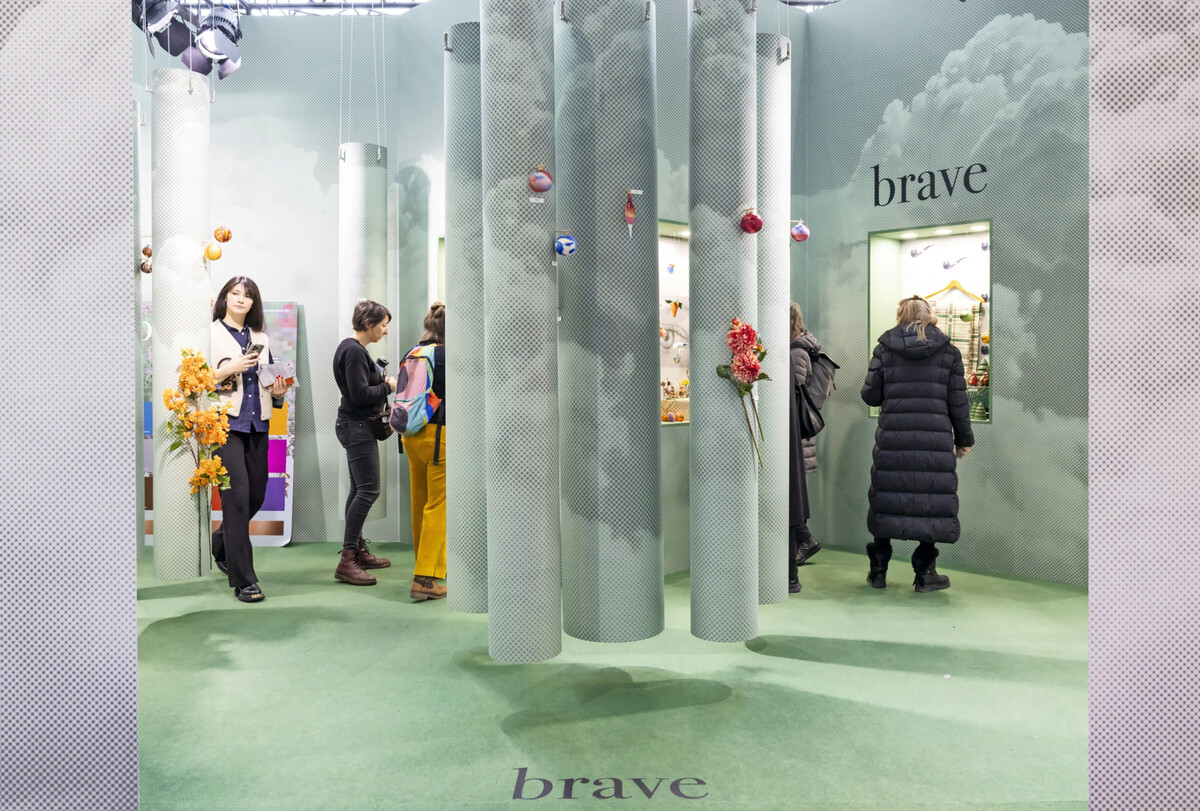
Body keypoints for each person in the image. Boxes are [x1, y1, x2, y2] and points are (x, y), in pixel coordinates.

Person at [860, 295, 974, 592]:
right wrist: (964, 440)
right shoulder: (949, 352)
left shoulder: (885, 349)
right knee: (929, 502)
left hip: (894, 440)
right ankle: (925, 574)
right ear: (929, 315)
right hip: (934, 442)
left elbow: (870, 395)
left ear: (901, 315)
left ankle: (879, 571)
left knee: (887, 500)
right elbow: (958, 402)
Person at [210, 276, 292, 603]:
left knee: (255, 495)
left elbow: (269, 381)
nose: (241, 299)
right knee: (236, 499)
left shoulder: (261, 339)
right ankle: (244, 580)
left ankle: (221, 542)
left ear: (253, 303)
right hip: (223, 426)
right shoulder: (209, 333)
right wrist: (229, 367)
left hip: (258, 424)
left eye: (247, 295)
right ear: (225, 297)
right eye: (235, 293)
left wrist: (279, 391)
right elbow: (197, 378)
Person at [332, 300, 397, 587]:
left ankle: (355, 550)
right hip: (357, 427)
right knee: (369, 489)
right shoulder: (354, 351)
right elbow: (360, 395)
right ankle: (347, 560)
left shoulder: (352, 349)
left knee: (359, 489)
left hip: (354, 426)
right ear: (369, 324)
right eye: (383, 325)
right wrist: (388, 387)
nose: (385, 331)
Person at [400, 303, 448, 602]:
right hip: (439, 436)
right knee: (439, 506)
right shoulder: (446, 355)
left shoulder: (412, 352)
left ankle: (426, 566)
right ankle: (425, 578)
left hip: (411, 435)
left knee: (420, 504)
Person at [789, 302, 823, 577]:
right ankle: (803, 539)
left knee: (792, 491)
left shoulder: (797, 352)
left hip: (795, 431)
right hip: (795, 431)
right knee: (791, 490)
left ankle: (805, 539)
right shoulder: (798, 349)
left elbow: (793, 391)